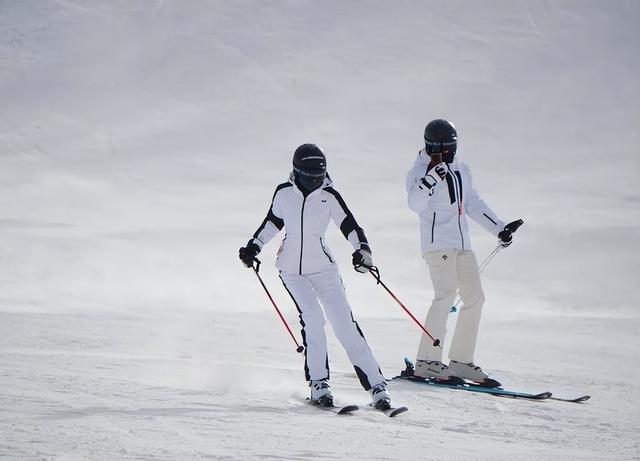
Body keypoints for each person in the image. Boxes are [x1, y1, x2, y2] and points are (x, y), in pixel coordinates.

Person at [239, 144, 391, 409]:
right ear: (297, 172)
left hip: (324, 269)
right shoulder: (284, 193)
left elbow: (350, 225)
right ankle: (319, 384)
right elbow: (272, 222)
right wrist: (254, 246)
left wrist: (362, 251)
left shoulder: (329, 196)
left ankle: (377, 387)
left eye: (319, 176)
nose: (315, 181)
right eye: (310, 176)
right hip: (291, 271)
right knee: (313, 319)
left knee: (345, 324)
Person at [405, 119, 519, 386]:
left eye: (451, 148)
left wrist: (500, 229)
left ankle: (461, 363)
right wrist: (431, 178)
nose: (447, 154)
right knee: (445, 296)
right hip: (438, 245)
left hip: (462, 244)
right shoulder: (418, 171)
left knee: (475, 298)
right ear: (431, 147)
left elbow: (473, 204)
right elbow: (415, 204)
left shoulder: (461, 169)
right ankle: (427, 361)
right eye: (442, 149)